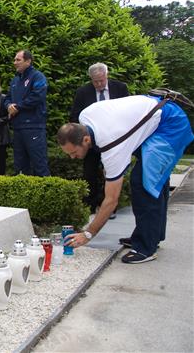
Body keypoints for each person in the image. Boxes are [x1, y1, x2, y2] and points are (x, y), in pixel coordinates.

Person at [57, 94, 193, 264]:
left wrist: (88, 234)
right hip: (157, 115)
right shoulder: (85, 116)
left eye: (73, 152)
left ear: (86, 139)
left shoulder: (111, 145)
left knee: (144, 183)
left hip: (170, 125)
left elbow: (111, 200)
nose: (72, 157)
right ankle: (150, 235)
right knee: (155, 179)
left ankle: (145, 248)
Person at [69, 63, 130, 218]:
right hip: (90, 140)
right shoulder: (83, 92)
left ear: (106, 76)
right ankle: (89, 206)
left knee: (110, 172)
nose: (99, 84)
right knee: (89, 172)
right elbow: (75, 116)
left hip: (113, 139)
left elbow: (127, 112)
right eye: (95, 81)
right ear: (91, 79)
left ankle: (108, 207)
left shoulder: (120, 88)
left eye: (101, 81)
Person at [3, 50, 50, 176]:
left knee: (39, 164)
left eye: (18, 60)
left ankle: (45, 193)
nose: (15, 63)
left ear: (28, 61)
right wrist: (8, 106)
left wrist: (17, 107)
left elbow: (37, 96)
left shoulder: (38, 77)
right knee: (20, 167)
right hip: (18, 127)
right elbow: (7, 98)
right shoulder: (15, 80)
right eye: (14, 60)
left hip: (34, 126)